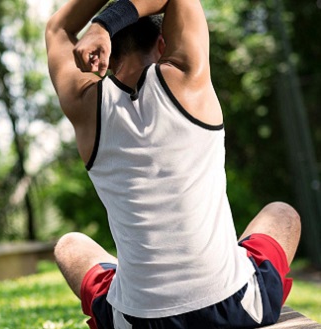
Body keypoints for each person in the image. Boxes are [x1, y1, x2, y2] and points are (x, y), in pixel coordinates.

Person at [45, 0, 301, 328]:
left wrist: (95, 26)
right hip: (232, 307)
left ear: (107, 58)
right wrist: (104, 24)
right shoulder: (187, 75)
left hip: (136, 322)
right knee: (282, 214)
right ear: (163, 44)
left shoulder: (84, 107)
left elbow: (57, 29)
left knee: (70, 245)